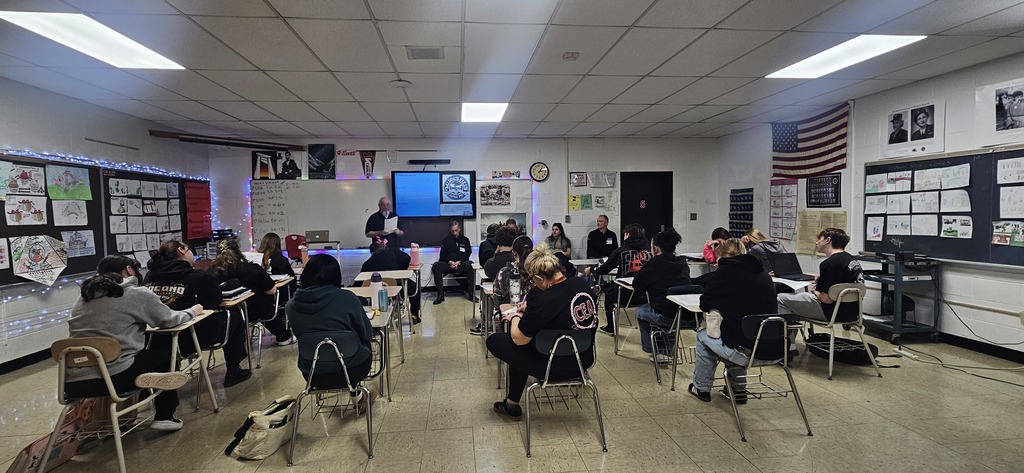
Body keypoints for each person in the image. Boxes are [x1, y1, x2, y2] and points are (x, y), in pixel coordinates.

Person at [65, 256, 203, 431]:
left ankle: (146, 390)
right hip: (113, 378)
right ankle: (165, 416)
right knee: (166, 355)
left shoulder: (84, 296)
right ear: (129, 270)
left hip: (72, 382)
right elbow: (169, 320)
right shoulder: (136, 293)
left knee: (141, 357)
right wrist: (193, 311)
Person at [486, 244, 598, 421]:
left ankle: (512, 404)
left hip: (550, 366)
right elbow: (561, 306)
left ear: (539, 278)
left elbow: (518, 338)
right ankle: (511, 403)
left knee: (502, 342)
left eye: (533, 281)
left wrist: (516, 315)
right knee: (532, 340)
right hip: (583, 359)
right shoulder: (582, 286)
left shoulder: (540, 299)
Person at [145, 240, 252, 387]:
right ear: (182, 250)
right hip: (193, 335)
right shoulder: (196, 276)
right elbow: (215, 300)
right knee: (234, 318)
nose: (192, 254)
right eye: (189, 250)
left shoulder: (149, 277)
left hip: (155, 339)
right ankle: (233, 371)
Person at [688, 238, 779, 402]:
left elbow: (704, 303)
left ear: (721, 257)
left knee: (704, 336)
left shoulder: (724, 273)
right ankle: (738, 391)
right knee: (736, 333)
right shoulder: (763, 274)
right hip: (774, 347)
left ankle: (701, 387)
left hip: (745, 350)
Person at [287, 255, 377, 410]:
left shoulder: (291, 306)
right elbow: (368, 334)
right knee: (358, 346)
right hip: (353, 370)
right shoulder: (347, 298)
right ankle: (358, 396)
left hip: (312, 373)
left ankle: (357, 397)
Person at [208, 239, 294, 346]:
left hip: (227, 316)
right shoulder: (252, 269)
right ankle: (283, 336)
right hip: (255, 311)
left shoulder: (211, 273)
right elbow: (271, 290)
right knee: (266, 305)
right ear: (238, 252)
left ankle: (241, 340)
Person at [632, 227, 698, 364]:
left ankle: (653, 349)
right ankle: (666, 352)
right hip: (688, 316)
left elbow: (636, 284)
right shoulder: (682, 263)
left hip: (666, 317)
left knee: (642, 311)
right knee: (671, 311)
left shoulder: (653, 264)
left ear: (655, 249)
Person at [777, 228, 863, 324]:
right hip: (852, 313)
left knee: (780, 298)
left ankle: (785, 338)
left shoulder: (829, 264)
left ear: (828, 240)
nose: (816, 242)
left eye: (819, 239)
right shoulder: (852, 260)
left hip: (831, 312)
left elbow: (826, 299)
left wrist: (815, 291)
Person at [583, 223, 652, 334]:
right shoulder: (650, 251)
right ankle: (600, 288)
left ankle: (610, 327)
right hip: (646, 296)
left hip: (624, 295)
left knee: (608, 293)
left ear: (627, 235)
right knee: (608, 287)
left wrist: (591, 270)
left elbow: (604, 269)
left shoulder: (621, 251)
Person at [361, 236, 421, 325]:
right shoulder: (393, 251)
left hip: (375, 293)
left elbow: (359, 282)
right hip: (397, 288)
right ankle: (414, 315)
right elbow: (407, 258)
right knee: (414, 287)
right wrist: (401, 270)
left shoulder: (367, 264)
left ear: (372, 252)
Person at [472, 227, 519, 335]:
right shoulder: (517, 258)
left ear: (498, 242)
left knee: (486, 292)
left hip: (502, 300)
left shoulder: (493, 262)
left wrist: (495, 253)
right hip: (521, 299)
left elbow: (488, 272)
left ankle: (486, 325)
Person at [431, 220, 475, 304]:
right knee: (436, 266)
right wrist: (449, 262)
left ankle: (471, 294)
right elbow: (442, 254)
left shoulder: (465, 240)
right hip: (448, 264)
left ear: (459, 229)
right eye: (452, 231)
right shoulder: (446, 240)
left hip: (461, 263)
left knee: (470, 265)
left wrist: (459, 262)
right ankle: (440, 295)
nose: (454, 233)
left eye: (456, 230)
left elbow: (467, 253)